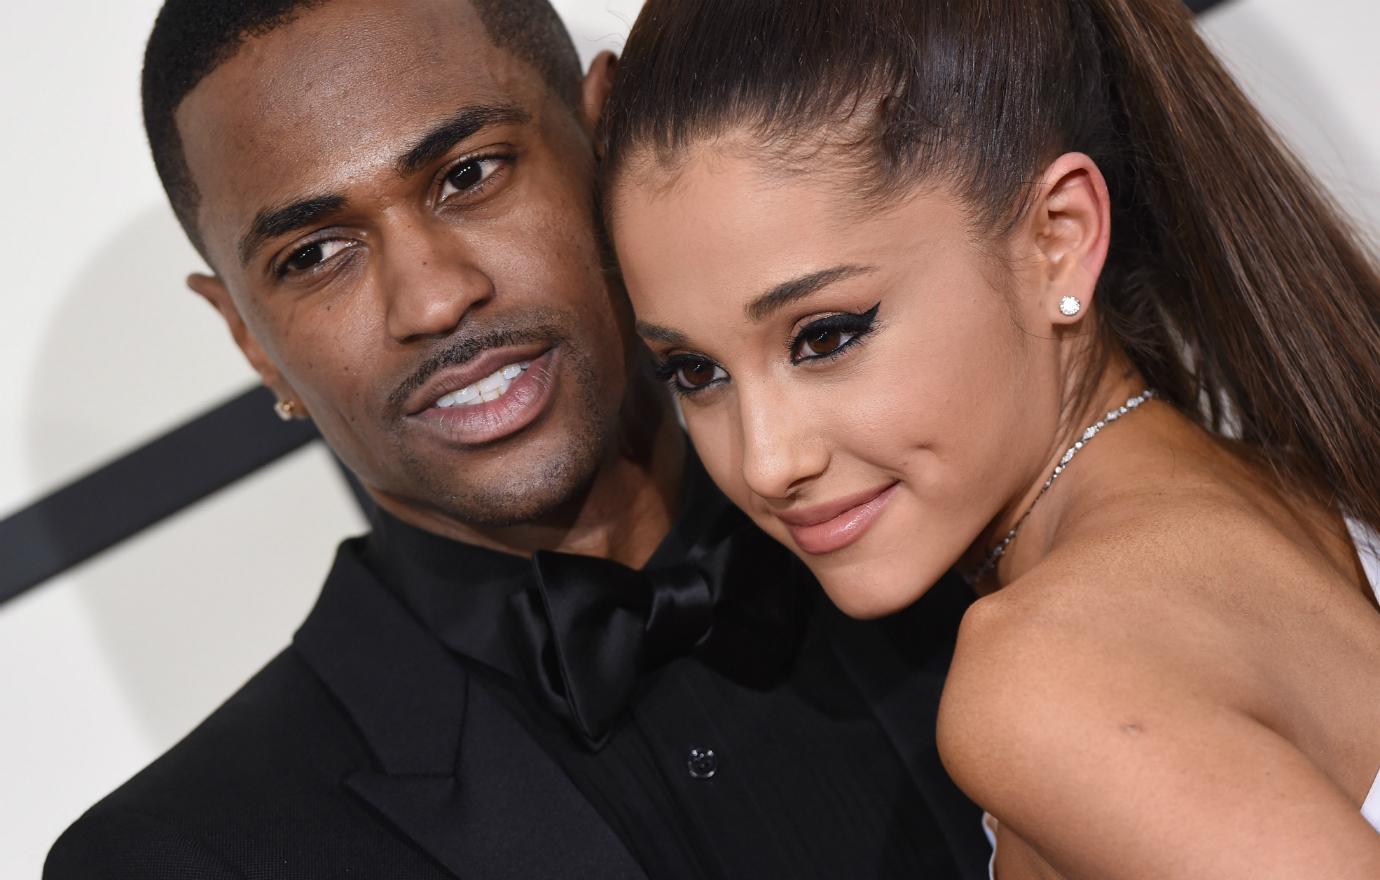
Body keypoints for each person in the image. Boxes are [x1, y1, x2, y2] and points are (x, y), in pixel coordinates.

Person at [45, 0, 995, 878]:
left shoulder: (1000, 542)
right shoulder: (188, 857)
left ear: (606, 136)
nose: (432, 298)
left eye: (468, 175)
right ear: (249, 339)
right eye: (314, 255)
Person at [600, 0, 1380, 877]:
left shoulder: (1043, 674)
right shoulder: (1288, 476)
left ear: (1057, 238)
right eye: (695, 373)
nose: (767, 462)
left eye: (825, 336)